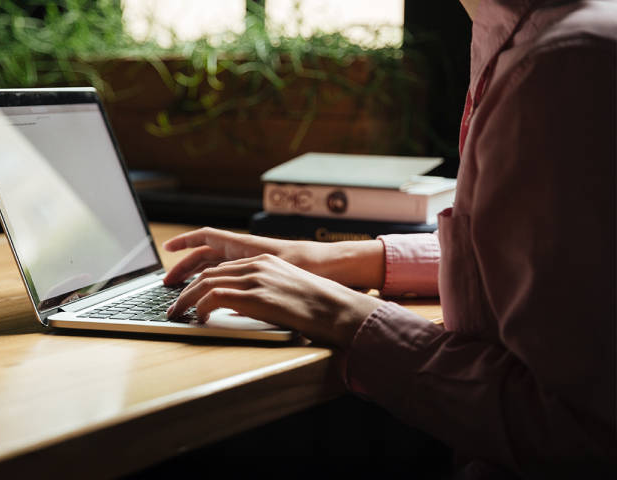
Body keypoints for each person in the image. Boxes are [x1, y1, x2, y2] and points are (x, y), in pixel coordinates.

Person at [164, 0, 617, 477]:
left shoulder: (564, 65)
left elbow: (583, 436)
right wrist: (337, 259)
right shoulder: (536, 38)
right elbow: (562, 257)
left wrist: (339, 312)